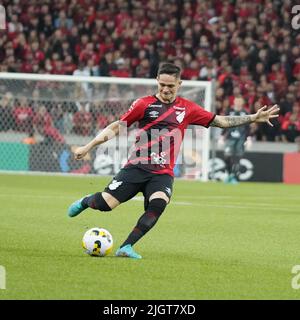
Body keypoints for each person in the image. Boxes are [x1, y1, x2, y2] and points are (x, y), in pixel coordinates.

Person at [68, 62, 279, 259]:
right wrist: (89, 145)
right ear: (157, 82)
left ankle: (126, 246)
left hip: (162, 173)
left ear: (179, 84)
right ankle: (87, 200)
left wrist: (252, 117)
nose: (166, 89)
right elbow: (117, 126)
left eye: (170, 85)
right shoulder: (144, 104)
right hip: (136, 167)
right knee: (106, 205)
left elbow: (221, 122)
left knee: (159, 203)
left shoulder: (188, 108)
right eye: (162, 85)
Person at [220, 96, 250, 184]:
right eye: (236, 101)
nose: (238, 103)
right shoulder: (229, 111)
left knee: (238, 158)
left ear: (242, 102)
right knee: (227, 156)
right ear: (234, 102)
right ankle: (229, 174)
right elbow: (224, 123)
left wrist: (248, 138)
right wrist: (222, 136)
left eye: (239, 101)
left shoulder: (245, 113)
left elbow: (248, 127)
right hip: (230, 138)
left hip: (241, 139)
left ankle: (234, 177)